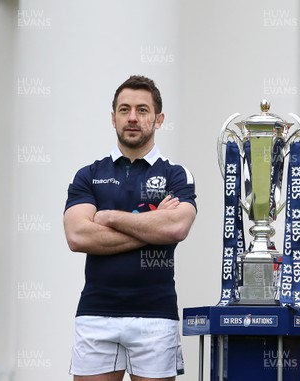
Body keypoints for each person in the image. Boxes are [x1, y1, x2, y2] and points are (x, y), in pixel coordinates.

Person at [64, 75, 197, 381]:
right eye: (124, 110)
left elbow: (176, 227)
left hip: (155, 315)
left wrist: (109, 217)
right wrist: (150, 226)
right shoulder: (88, 175)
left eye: (142, 109)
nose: (133, 118)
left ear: (159, 119)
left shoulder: (176, 175)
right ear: (113, 118)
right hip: (96, 312)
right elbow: (77, 235)